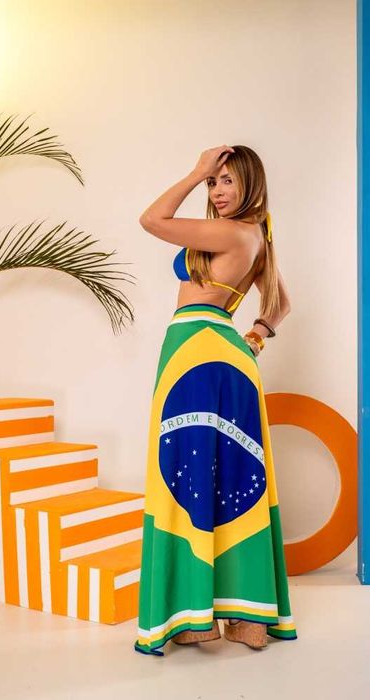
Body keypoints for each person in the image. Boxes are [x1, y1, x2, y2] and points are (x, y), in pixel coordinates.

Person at [134, 144, 297, 656]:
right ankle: (249, 622)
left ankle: (192, 616)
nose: (217, 190)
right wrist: (256, 336)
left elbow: (151, 219)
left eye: (227, 179)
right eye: (213, 181)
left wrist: (194, 171)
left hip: (193, 350)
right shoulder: (256, 238)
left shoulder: (231, 232)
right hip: (228, 351)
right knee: (233, 478)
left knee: (185, 476)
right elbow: (281, 302)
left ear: (251, 183)